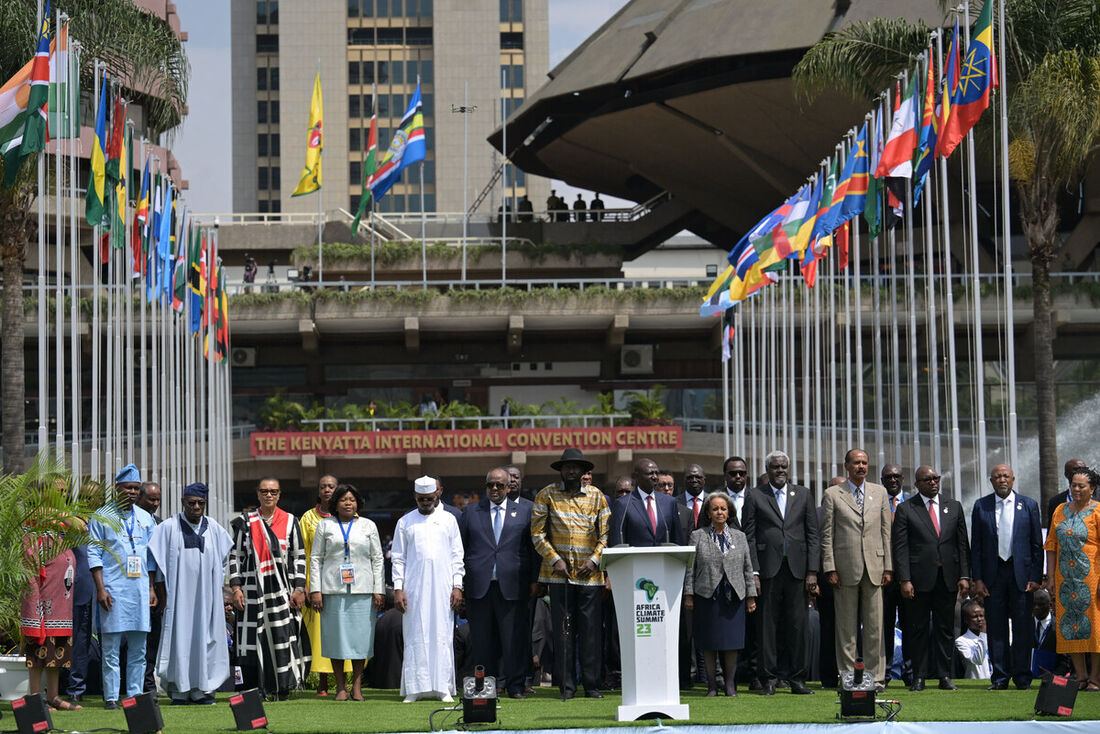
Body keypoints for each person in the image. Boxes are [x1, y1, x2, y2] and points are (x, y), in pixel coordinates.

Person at [531, 448, 610, 700]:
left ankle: (592, 685)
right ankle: (566, 686)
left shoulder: (597, 496)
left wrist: (594, 560)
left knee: (590, 633)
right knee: (564, 632)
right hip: (559, 577)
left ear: (584, 471)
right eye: (567, 467)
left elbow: (606, 534)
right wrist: (555, 560)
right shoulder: (546, 495)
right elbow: (537, 534)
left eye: (577, 467)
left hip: (591, 577)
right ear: (561, 470)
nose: (572, 471)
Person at [147, 483, 233, 705]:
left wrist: (222, 594)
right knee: (180, 640)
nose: (196, 507)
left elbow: (224, 562)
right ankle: (180, 691)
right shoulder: (168, 528)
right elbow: (157, 564)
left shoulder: (214, 528)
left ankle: (203, 690)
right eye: (191, 502)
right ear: (183, 502)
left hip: (207, 600)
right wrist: (159, 591)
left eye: (200, 503)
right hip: (178, 599)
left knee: (206, 640)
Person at [458, 468, 538, 699]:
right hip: (479, 588)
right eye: (490, 485)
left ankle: (515, 686)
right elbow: (461, 550)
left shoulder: (525, 511)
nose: (494, 489)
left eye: (499, 486)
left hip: (513, 586)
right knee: (482, 641)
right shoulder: (471, 512)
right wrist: (461, 585)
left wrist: (534, 580)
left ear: (508, 487)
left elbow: (533, 550)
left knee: (513, 639)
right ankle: (486, 688)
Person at [891, 465, 970, 691]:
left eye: (936, 478)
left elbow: (962, 545)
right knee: (918, 629)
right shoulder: (907, 509)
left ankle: (944, 676)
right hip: (918, 581)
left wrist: (965, 575)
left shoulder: (953, 507)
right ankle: (919, 676)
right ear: (917, 484)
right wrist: (904, 579)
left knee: (945, 629)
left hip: (947, 578)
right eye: (927, 480)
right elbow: (901, 548)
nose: (933, 482)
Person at [228, 478, 308, 700]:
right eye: (264, 491)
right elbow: (235, 556)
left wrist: (299, 588)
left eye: (273, 491)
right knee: (251, 641)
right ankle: (253, 689)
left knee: (281, 638)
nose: (269, 495)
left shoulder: (291, 521)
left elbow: (298, 557)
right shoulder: (245, 522)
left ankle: (281, 688)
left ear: (279, 494)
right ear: (258, 494)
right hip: (251, 592)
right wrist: (236, 588)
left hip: (281, 593)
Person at [821, 449, 892, 691]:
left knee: (875, 628)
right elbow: (827, 535)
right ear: (846, 466)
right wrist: (829, 566)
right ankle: (849, 677)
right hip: (844, 568)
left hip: (875, 567)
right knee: (846, 629)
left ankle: (877, 678)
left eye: (864, 462)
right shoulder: (832, 494)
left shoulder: (880, 492)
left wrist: (888, 567)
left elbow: (886, 533)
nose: (861, 466)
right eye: (856, 463)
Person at [88, 464, 158, 709]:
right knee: (111, 648)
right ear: (117, 488)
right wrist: (100, 589)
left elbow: (151, 558)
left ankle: (134, 695)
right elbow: (94, 554)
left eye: (135, 488)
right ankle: (111, 697)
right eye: (127, 487)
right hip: (113, 591)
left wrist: (151, 588)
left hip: (139, 591)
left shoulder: (145, 518)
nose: (132, 492)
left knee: (139, 649)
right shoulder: (101, 516)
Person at [969, 463, 1043, 690]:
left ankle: (1022, 677)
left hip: (1021, 575)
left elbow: (1036, 546)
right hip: (993, 576)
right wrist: (978, 579)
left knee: (1022, 627)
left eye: (1006, 476)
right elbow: (977, 547)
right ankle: (1000, 677)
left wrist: (1036, 577)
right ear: (990, 481)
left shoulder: (1029, 505)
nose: (1002, 480)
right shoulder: (982, 506)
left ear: (1013, 479)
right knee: (997, 628)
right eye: (997, 477)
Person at [392, 476, 465, 703]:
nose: (425, 502)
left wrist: (457, 586)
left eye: (430, 498)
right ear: (415, 497)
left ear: (438, 495)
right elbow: (398, 558)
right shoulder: (405, 522)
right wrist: (398, 589)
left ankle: (443, 687)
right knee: (415, 635)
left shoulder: (449, 520)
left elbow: (457, 556)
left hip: (443, 587)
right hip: (414, 588)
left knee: (442, 634)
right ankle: (416, 688)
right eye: (421, 499)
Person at [309, 484, 385, 701]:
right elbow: (316, 559)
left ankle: (357, 686)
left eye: (352, 499)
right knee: (336, 639)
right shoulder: (325, 526)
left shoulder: (368, 525)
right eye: (343, 499)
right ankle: (340, 686)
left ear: (358, 503)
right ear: (336, 504)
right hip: (332, 590)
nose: (348, 503)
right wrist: (316, 590)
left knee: (360, 640)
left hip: (363, 589)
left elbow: (378, 558)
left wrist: (379, 590)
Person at [752, 450, 819, 696]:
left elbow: (813, 534)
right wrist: (755, 572)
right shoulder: (755, 495)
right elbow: (749, 534)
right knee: (766, 627)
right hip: (768, 570)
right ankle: (768, 679)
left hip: (798, 570)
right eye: (775, 467)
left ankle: (797, 679)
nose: (779, 471)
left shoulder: (803, 494)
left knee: (798, 626)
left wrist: (812, 571)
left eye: (783, 467)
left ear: (788, 469)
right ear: (767, 469)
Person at [684, 493, 757, 696]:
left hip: (733, 597)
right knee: (709, 642)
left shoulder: (740, 537)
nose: (719, 512)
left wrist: (751, 596)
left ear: (729, 512)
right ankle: (712, 686)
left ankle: (731, 685)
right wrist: (689, 594)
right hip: (707, 596)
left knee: (731, 642)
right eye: (715, 509)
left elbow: (747, 568)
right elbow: (690, 568)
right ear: (708, 513)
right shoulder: (697, 535)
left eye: (723, 508)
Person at [21, 480, 84, 712]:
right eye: (59, 491)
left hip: (62, 601)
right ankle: (36, 697)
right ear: (43, 492)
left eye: (66, 491)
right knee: (39, 650)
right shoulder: (32, 520)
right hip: (41, 599)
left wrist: (58, 512)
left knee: (57, 651)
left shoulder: (60, 520)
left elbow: (81, 527)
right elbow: (29, 561)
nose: (63, 494)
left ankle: (54, 696)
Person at [1043, 465, 1100, 690]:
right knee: (1071, 627)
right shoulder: (1059, 510)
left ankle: (1095, 678)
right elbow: (1051, 546)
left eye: (1081, 486)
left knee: (1095, 628)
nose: (1076, 489)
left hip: (1093, 579)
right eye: (1073, 485)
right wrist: (1050, 578)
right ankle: (1081, 676)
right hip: (1065, 578)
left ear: (1092, 489)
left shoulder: (1097, 511)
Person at [300, 475, 351, 696]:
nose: (328, 490)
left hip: (344, 583)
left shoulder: (350, 516)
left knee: (344, 631)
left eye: (331, 486)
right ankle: (322, 682)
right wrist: (306, 585)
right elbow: (301, 553)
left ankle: (345, 682)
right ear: (318, 491)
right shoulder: (308, 518)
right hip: (317, 582)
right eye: (323, 487)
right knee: (320, 634)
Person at [879, 464, 910, 686]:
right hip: (882, 575)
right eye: (888, 477)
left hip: (909, 575)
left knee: (910, 625)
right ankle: (885, 672)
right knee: (884, 626)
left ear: (903, 478)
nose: (892, 480)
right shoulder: (875, 501)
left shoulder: (914, 502)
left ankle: (910, 672)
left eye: (896, 476)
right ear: (881, 480)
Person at [609, 458, 683, 547]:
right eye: (650, 473)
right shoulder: (623, 504)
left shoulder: (669, 502)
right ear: (637, 476)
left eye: (656, 473)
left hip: (664, 559)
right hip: (635, 559)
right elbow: (617, 541)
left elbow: (678, 539)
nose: (655, 477)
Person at [135, 481, 162, 694]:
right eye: (150, 499)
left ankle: (148, 685)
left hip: (154, 592)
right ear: (139, 498)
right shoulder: (126, 521)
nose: (154, 503)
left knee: (151, 642)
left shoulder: (161, 526)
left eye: (157, 500)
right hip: (130, 590)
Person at [955, 601, 992, 679]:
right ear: (966, 620)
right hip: (977, 681)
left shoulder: (992, 637)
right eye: (975, 617)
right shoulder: (961, 641)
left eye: (981, 616)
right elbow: (977, 660)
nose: (979, 619)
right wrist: (983, 633)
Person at [683, 464, 707, 532]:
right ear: (684, 480)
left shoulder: (712, 501)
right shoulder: (675, 503)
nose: (694, 480)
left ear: (704, 479)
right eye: (690, 477)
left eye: (698, 477)